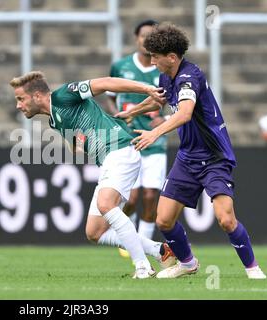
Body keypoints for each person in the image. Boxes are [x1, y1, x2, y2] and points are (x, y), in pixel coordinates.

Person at [116, 23, 266, 279]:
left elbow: (185, 113)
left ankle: (253, 269)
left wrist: (155, 132)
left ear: (171, 57)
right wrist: (131, 112)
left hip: (214, 156)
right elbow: (158, 99)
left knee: (226, 220)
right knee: (163, 220)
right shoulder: (167, 75)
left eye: (155, 56)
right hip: (188, 157)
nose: (151, 61)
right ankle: (187, 263)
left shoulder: (189, 77)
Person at [9, 71, 175, 279]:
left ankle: (142, 266)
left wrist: (146, 88)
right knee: (94, 232)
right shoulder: (54, 119)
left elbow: (105, 83)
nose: (18, 105)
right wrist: (79, 140)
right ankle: (160, 251)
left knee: (107, 205)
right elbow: (78, 144)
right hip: (109, 160)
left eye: (20, 99)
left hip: (120, 150)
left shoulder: (63, 95)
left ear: (37, 96)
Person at [107, 19, 167, 247]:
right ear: (136, 38)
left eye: (152, 36)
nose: (146, 40)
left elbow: (177, 104)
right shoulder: (121, 66)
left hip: (155, 141)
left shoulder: (163, 69)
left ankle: (144, 246)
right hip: (128, 141)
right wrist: (117, 117)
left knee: (151, 198)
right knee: (130, 199)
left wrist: (166, 119)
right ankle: (130, 238)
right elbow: (111, 95)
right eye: (143, 35)